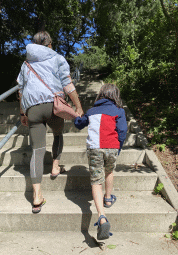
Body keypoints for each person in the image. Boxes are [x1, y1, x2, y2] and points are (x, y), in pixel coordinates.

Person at [17, 31, 83, 214]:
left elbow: (21, 90)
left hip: (33, 109)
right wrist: (78, 107)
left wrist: (23, 113)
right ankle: (55, 166)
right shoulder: (58, 58)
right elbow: (67, 85)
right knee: (58, 133)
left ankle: (37, 195)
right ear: (49, 45)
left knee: (37, 151)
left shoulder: (26, 63)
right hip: (54, 105)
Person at [74, 83, 127, 240]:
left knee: (96, 182)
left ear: (101, 95)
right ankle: (108, 199)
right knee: (109, 171)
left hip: (95, 149)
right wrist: (119, 147)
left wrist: (76, 115)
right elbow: (122, 131)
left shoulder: (91, 111)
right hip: (111, 147)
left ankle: (102, 217)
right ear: (115, 96)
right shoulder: (119, 111)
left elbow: (78, 124)